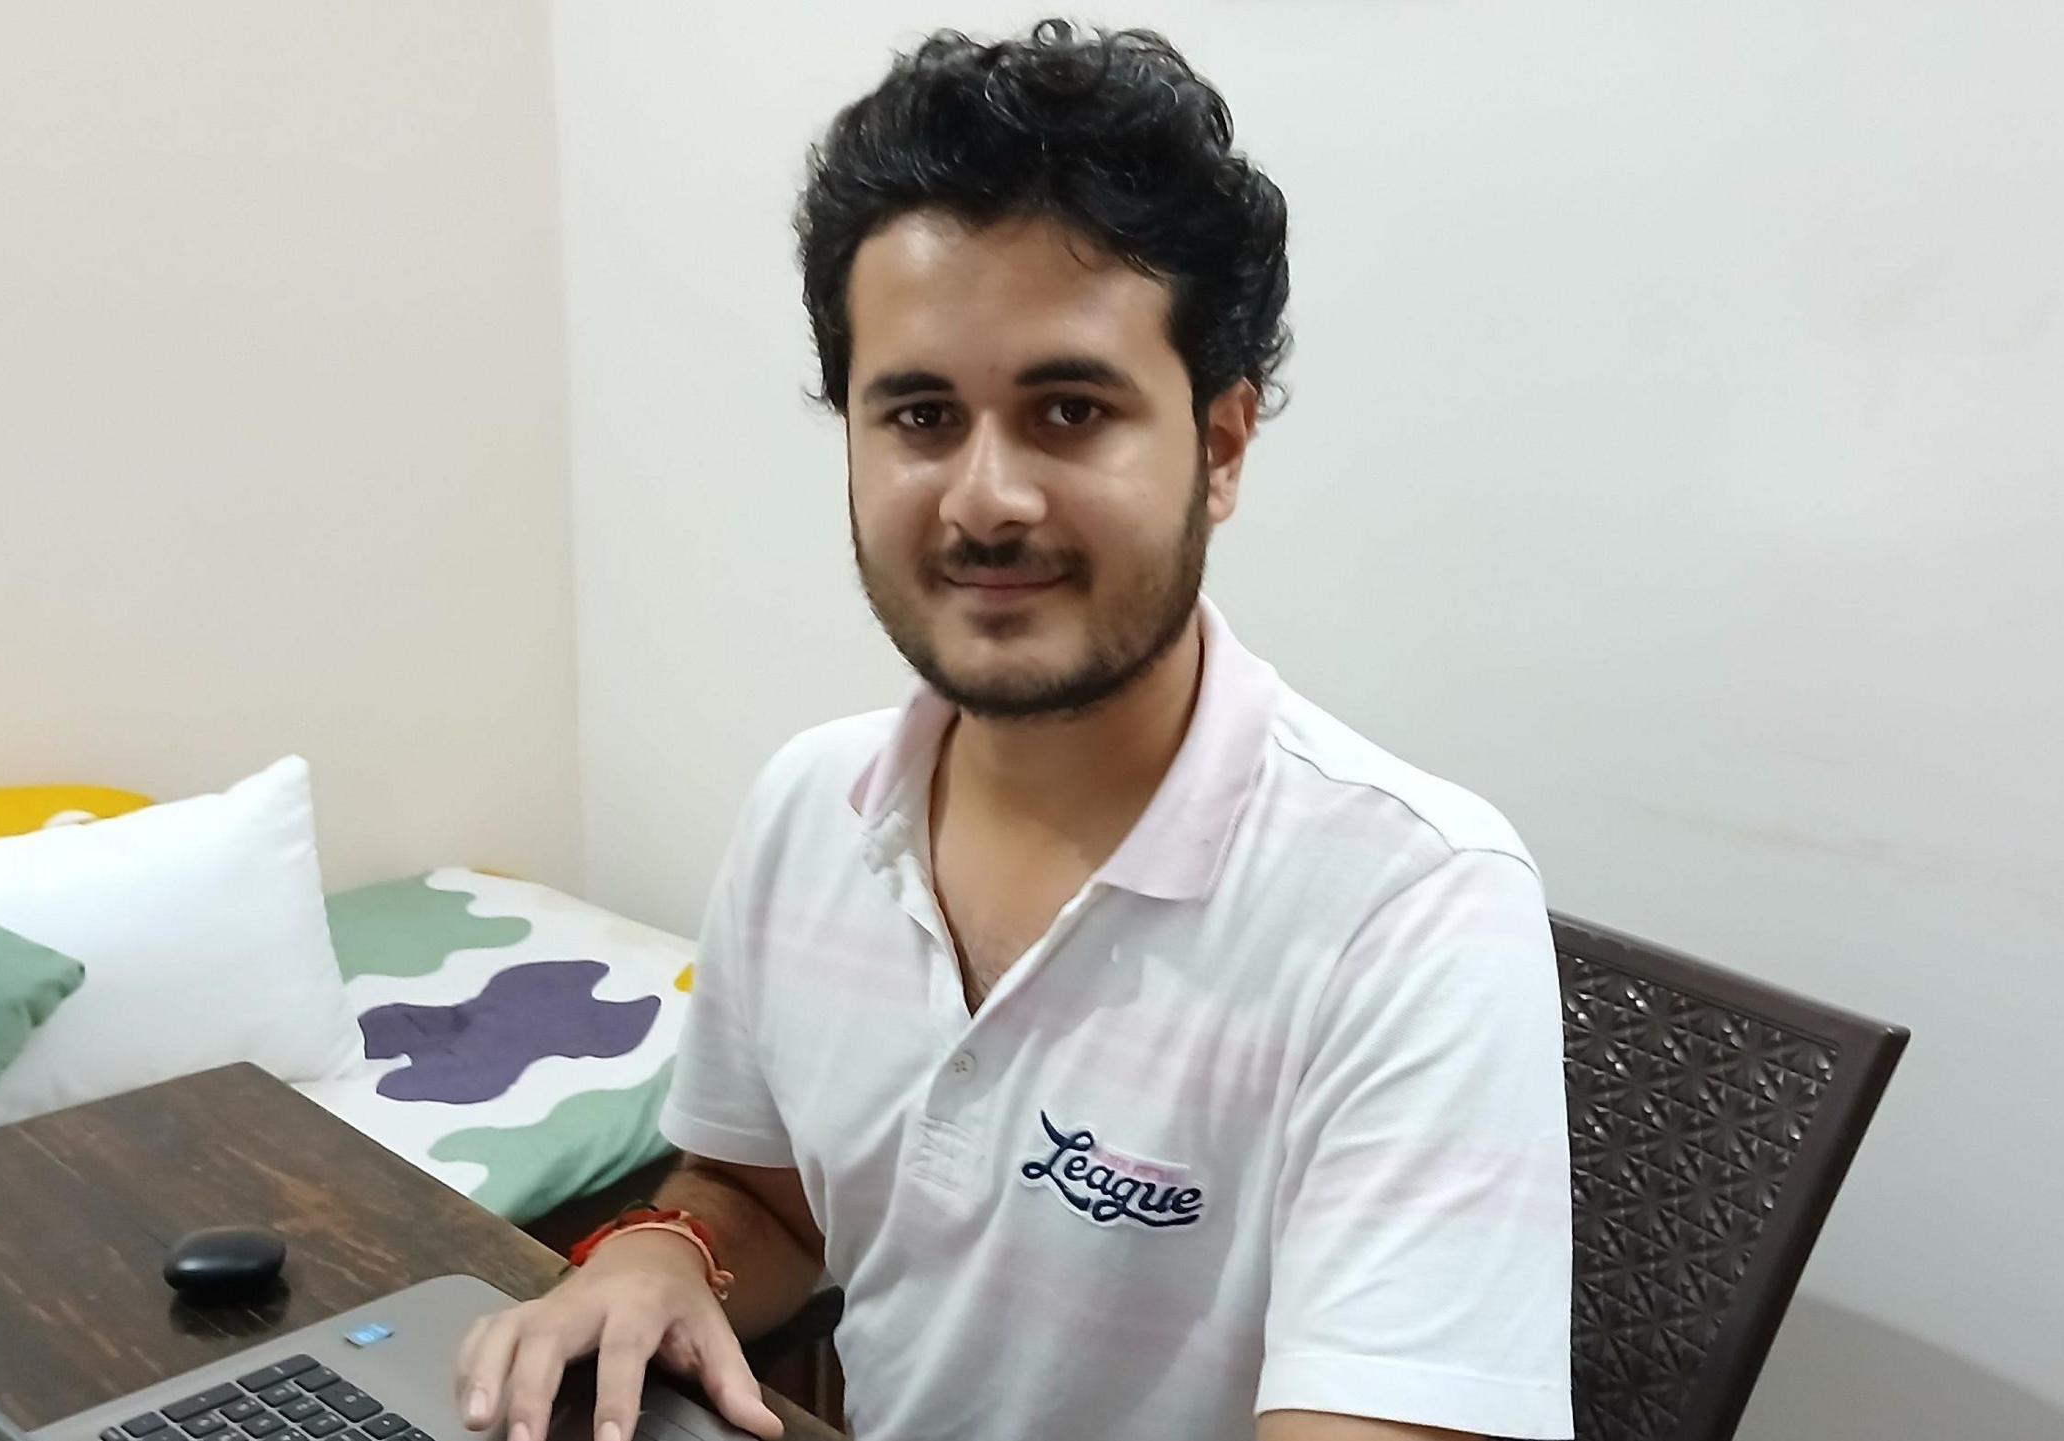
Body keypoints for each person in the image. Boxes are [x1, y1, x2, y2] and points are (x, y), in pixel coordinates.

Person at [456, 20, 1573, 1441]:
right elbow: (761, 1197)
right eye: (920, 412)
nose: (986, 499)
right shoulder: (815, 808)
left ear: (1220, 446)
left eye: (1068, 408)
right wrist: (664, 1256)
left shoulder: (1412, 907)